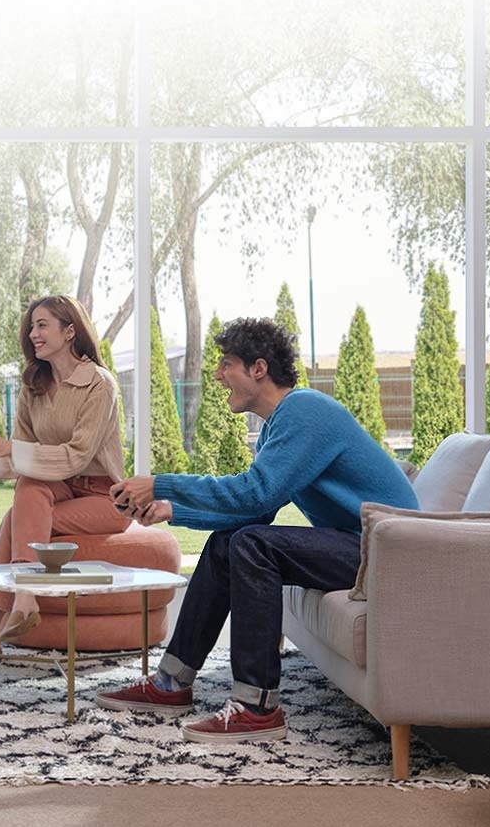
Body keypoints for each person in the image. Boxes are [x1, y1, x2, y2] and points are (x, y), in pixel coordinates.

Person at [99, 316, 418, 742]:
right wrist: (169, 509)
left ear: (259, 368)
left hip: (388, 554)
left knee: (251, 545)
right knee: (229, 543)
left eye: (226, 363)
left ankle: (257, 706)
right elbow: (253, 511)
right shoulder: (278, 425)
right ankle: (171, 683)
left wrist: (161, 482)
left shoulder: (306, 411)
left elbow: (255, 495)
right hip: (360, 546)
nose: (217, 374)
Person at [0, 295, 130, 661]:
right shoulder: (33, 385)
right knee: (30, 487)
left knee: (15, 520)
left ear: (70, 331)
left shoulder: (99, 385)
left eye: (43, 325)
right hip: (54, 489)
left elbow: (76, 456)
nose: (33, 334)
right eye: (31, 326)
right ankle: (21, 602)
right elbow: (23, 454)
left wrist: (12, 450)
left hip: (103, 497)